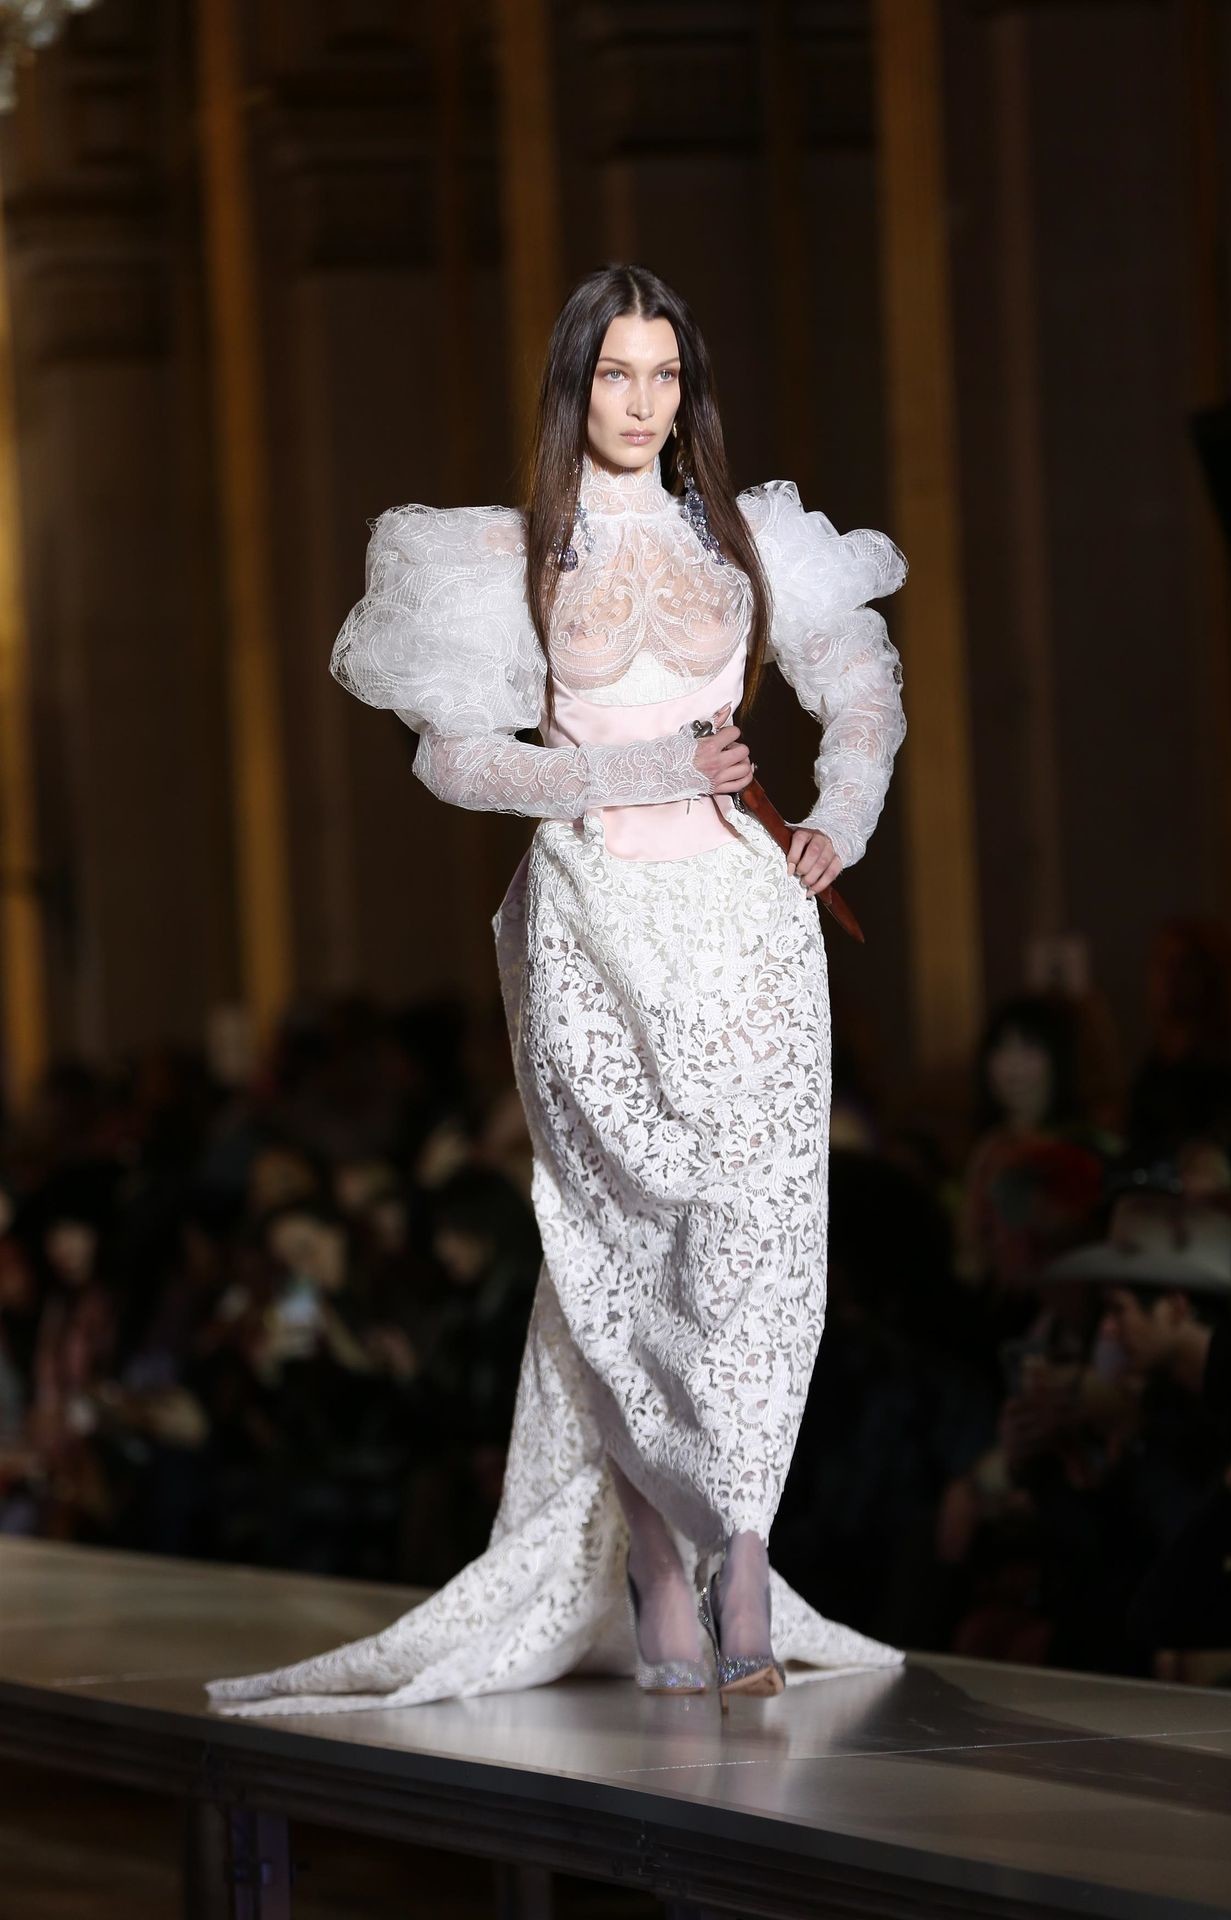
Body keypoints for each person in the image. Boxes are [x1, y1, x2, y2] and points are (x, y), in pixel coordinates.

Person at [206, 261, 909, 1714]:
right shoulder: (510, 556)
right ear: (574, 383)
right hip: (589, 916)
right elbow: (455, 760)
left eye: (665, 375)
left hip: (745, 924)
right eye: (615, 375)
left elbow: (863, 688)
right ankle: (655, 1554)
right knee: (616, 1239)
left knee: (760, 1239)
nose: (642, 403)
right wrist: (644, 766)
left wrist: (841, 817)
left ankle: (741, 1559)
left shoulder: (748, 540)